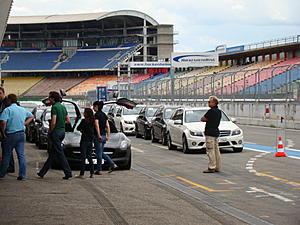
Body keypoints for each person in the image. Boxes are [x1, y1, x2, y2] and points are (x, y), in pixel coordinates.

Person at [37, 91, 72, 180]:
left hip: (56, 132)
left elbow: (53, 122)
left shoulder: (54, 107)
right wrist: (61, 123)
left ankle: (68, 172)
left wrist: (50, 131)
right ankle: (42, 172)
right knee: (53, 153)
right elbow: (68, 120)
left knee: (60, 153)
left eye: (49, 98)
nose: (49, 99)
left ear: (53, 99)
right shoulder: (63, 107)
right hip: (62, 131)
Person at [0, 94, 33, 180]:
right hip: (21, 134)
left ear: (9, 101)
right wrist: (24, 124)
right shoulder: (22, 109)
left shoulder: (7, 110)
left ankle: (2, 173)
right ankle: (22, 175)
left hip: (10, 134)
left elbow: (3, 122)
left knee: (6, 155)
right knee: (21, 155)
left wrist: (3, 132)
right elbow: (31, 116)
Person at [93, 101, 118, 175]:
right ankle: (112, 164)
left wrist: (98, 134)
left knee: (98, 154)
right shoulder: (104, 115)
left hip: (99, 136)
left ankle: (99, 169)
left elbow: (96, 125)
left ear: (97, 106)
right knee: (101, 153)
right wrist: (108, 135)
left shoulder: (96, 115)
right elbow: (107, 126)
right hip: (104, 135)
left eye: (94, 106)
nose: (93, 108)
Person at [201, 96, 222, 173]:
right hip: (216, 132)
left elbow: (202, 118)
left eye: (209, 102)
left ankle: (211, 167)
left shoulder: (211, 111)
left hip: (210, 132)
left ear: (214, 103)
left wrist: (207, 119)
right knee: (216, 150)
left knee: (210, 150)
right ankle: (217, 166)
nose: (208, 103)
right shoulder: (219, 111)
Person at [76, 108, 95, 178]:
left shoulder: (84, 121)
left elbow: (78, 128)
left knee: (83, 157)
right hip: (90, 140)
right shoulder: (93, 121)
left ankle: (82, 173)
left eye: (84, 112)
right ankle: (92, 173)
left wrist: (82, 130)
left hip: (84, 140)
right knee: (90, 157)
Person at [0, 87, 15, 173]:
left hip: (6, 128)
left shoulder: (7, 103)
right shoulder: (1, 103)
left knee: (7, 148)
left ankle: (9, 166)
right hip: (2, 128)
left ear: (3, 93)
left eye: (0, 93)